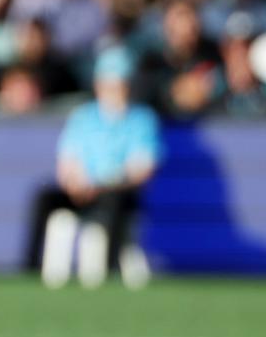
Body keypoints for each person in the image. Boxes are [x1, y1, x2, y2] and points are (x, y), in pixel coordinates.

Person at [24, 48, 164, 289]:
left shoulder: (142, 119)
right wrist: (76, 183)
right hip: (82, 190)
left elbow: (142, 170)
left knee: (114, 201)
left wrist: (103, 184)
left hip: (117, 191)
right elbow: (68, 161)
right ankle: (31, 269)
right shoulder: (83, 117)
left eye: (119, 84)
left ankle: (107, 270)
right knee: (45, 197)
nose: (114, 91)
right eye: (108, 85)